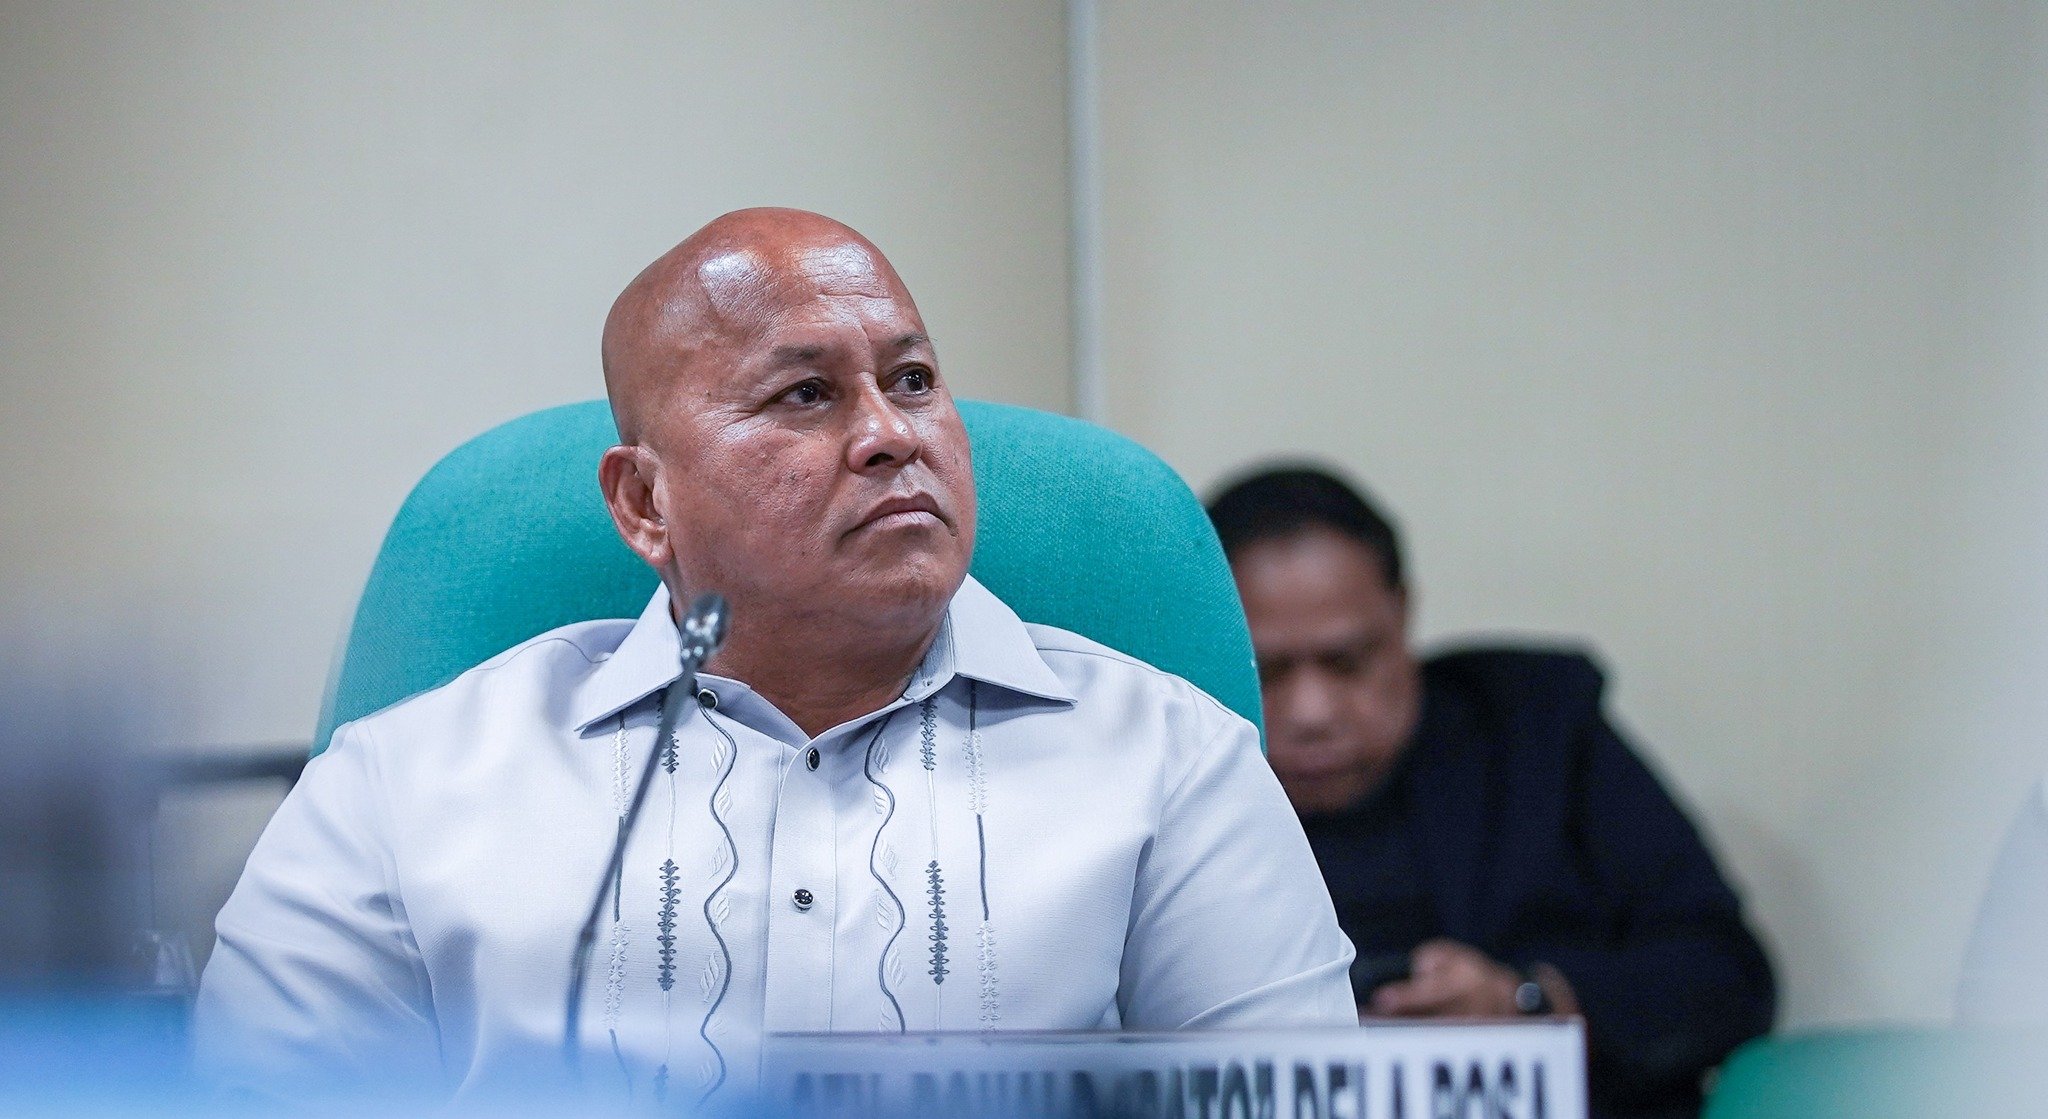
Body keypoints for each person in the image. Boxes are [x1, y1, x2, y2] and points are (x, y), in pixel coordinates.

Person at [193, 210, 1356, 1107]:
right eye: (805, 395)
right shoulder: (399, 789)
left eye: (911, 380)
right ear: (644, 503)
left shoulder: (1169, 762)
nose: (890, 435)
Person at [1206, 466, 1775, 1119]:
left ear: (1402, 613)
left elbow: (1728, 972)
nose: (1312, 711)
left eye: (1348, 661)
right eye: (1267, 670)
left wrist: (1527, 1002)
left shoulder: (1537, 728)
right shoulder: (1174, 788)